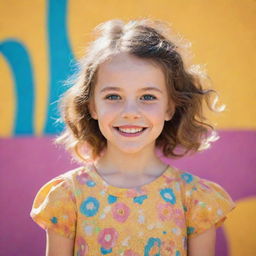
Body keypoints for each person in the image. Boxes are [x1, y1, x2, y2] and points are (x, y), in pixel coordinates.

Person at [30, 19, 236, 256]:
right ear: (92, 106)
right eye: (113, 96)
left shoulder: (196, 200)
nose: (130, 112)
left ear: (170, 108)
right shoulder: (67, 197)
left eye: (147, 97)